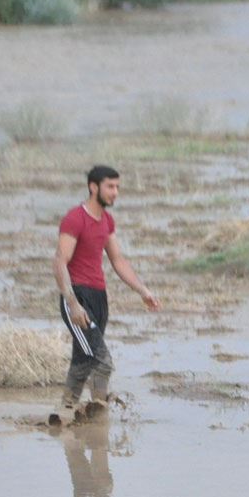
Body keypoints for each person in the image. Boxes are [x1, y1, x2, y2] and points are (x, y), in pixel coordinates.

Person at [50, 164, 162, 426]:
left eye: (118, 187)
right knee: (103, 360)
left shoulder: (107, 221)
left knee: (83, 359)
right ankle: (98, 419)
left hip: (99, 298)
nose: (116, 192)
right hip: (77, 298)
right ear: (93, 187)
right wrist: (73, 303)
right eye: (111, 187)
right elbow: (59, 262)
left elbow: (118, 260)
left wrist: (143, 290)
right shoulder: (75, 218)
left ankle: (64, 416)